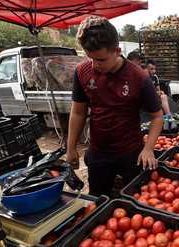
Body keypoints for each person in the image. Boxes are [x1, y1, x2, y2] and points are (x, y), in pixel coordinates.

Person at [66, 16, 163, 197]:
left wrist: (148, 148)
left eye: (101, 59)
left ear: (117, 51)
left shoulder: (139, 77)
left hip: (131, 152)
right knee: (97, 198)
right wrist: (70, 148)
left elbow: (157, 117)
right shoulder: (82, 72)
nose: (94, 64)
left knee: (135, 200)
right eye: (90, 58)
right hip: (98, 153)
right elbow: (78, 112)